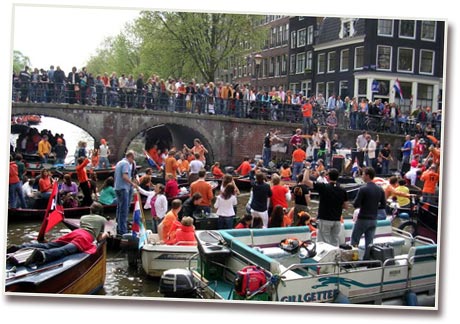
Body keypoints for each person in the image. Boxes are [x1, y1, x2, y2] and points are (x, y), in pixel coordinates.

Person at [7, 202, 109, 266]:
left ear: (90, 210)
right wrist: (106, 234)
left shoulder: (83, 217)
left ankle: (20, 247)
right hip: (85, 237)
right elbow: (99, 238)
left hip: (75, 233)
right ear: (100, 212)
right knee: (65, 250)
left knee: (49, 245)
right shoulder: (102, 219)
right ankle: (43, 255)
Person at [303, 167, 348, 247]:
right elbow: (346, 206)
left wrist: (307, 168)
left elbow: (305, 181)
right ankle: (334, 258)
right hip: (337, 220)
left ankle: (325, 259)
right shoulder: (343, 190)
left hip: (324, 219)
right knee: (335, 242)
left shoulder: (323, 187)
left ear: (327, 177)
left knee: (323, 244)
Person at [350, 167, 387, 260]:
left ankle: (353, 259)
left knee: (355, 240)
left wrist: (364, 206)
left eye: (363, 174)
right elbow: (383, 205)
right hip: (373, 219)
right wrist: (374, 207)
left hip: (363, 218)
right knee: (369, 243)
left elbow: (356, 204)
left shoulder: (363, 189)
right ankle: (366, 260)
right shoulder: (380, 189)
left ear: (367, 175)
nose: (362, 176)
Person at [114, 151, 136, 235]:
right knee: (124, 209)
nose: (132, 161)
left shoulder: (119, 163)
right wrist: (132, 183)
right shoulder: (126, 164)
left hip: (117, 187)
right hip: (123, 188)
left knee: (119, 208)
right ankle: (123, 230)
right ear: (129, 157)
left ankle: (118, 227)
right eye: (132, 159)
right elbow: (125, 176)